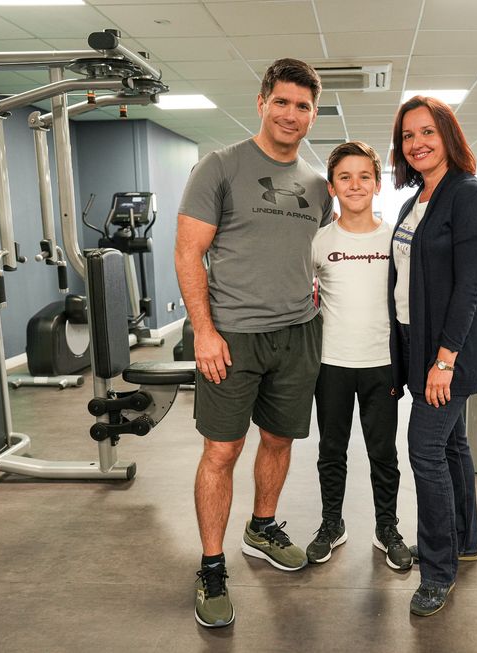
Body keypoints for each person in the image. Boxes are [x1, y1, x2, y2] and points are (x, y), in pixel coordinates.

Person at [175, 58, 332, 629]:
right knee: (222, 451)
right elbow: (188, 252)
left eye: (303, 106)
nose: (292, 114)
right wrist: (204, 331)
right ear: (262, 102)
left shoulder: (319, 186)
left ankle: (262, 526)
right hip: (233, 337)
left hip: (297, 334)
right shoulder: (220, 167)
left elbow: (335, 256)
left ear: (313, 116)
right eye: (283, 102)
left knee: (279, 440)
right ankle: (212, 565)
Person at [387, 96, 477, 617]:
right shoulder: (417, 200)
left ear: (448, 135)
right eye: (408, 136)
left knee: (424, 449)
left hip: (449, 351)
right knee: (452, 446)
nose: (417, 143)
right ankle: (463, 541)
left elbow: (470, 284)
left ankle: (437, 571)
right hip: (419, 342)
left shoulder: (468, 195)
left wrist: (445, 359)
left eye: (427, 132)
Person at [306, 141, 412, 570]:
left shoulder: (396, 239)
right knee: (331, 450)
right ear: (332, 187)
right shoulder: (318, 241)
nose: (355, 184)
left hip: (381, 364)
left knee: (383, 452)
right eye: (345, 177)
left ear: (378, 184)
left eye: (364, 176)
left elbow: (420, 288)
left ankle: (387, 527)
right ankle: (332, 523)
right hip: (330, 363)